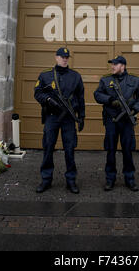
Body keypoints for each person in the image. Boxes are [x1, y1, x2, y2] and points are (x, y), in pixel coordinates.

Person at [34, 47, 85, 194]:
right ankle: (46, 179)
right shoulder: (46, 76)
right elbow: (37, 93)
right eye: (62, 57)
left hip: (68, 118)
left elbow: (81, 98)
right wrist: (48, 99)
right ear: (56, 57)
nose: (64, 59)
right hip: (52, 117)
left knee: (69, 149)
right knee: (48, 147)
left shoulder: (75, 76)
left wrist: (82, 116)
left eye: (66, 57)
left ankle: (71, 180)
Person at [94, 56, 139, 192]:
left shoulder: (134, 80)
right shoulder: (106, 79)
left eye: (115, 64)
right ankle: (110, 179)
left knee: (127, 150)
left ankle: (130, 178)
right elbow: (97, 95)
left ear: (123, 66)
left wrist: (134, 109)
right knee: (111, 150)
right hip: (111, 120)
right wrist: (110, 100)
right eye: (112, 64)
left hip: (127, 121)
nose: (112, 66)